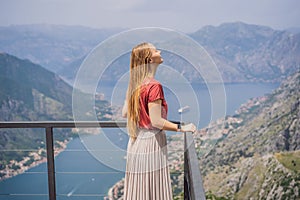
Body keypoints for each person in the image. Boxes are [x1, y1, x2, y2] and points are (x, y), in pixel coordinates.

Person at [122, 42, 196, 199]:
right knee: (153, 190)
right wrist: (182, 128)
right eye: (155, 50)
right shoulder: (154, 86)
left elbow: (124, 113)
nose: (159, 51)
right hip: (152, 143)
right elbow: (156, 121)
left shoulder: (135, 84)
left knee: (139, 190)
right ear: (149, 59)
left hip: (136, 142)